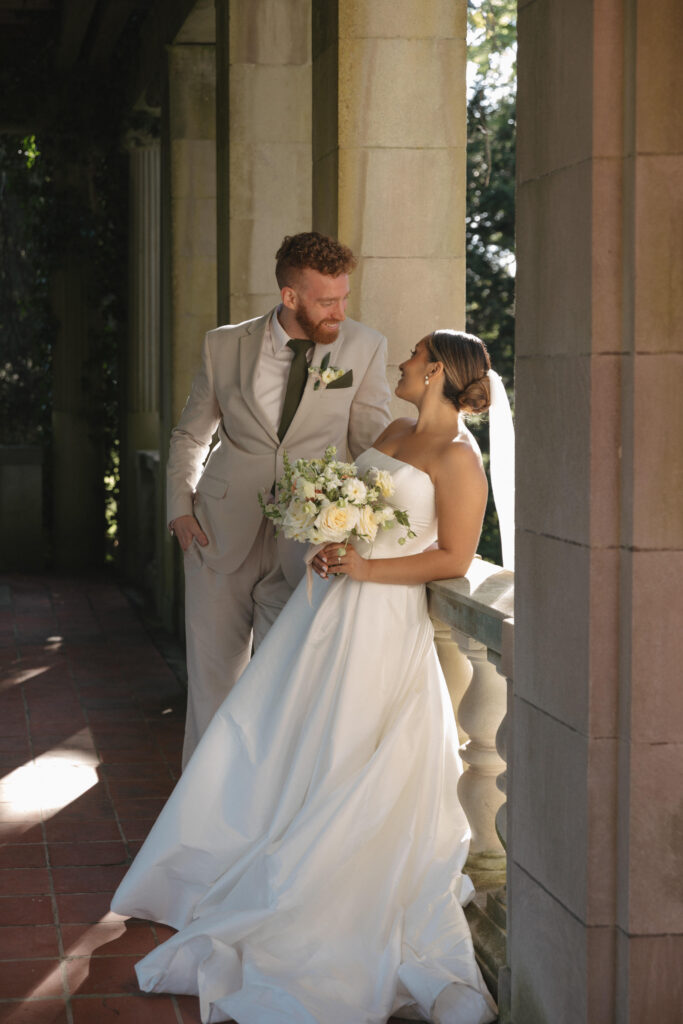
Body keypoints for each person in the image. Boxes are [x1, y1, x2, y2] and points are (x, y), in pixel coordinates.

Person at [112, 330, 504, 1024]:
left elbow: (451, 556)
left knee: (346, 754)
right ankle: (251, 854)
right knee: (277, 733)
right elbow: (366, 511)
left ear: (439, 370)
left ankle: (318, 889)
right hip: (326, 611)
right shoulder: (391, 427)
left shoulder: (458, 458)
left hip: (380, 624)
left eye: (414, 358)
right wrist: (335, 540)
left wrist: (367, 567)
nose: (403, 365)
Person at [166, 232, 392, 766]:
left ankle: (265, 819)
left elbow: (371, 447)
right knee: (212, 684)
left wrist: (372, 532)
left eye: (344, 297)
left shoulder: (364, 346)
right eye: (327, 301)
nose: (340, 311)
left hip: (309, 541)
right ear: (290, 297)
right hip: (219, 530)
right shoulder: (224, 345)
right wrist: (179, 506)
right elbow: (190, 435)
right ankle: (200, 824)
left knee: (288, 686)